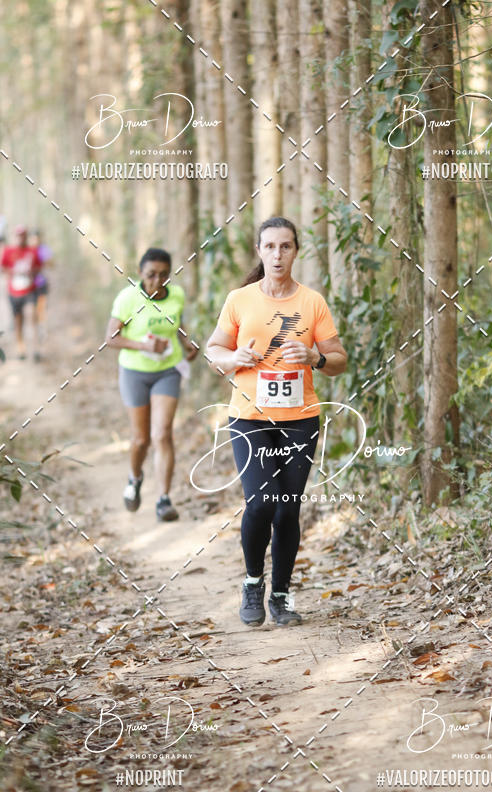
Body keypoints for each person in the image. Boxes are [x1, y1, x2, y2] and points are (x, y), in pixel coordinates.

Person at [206, 216, 347, 627]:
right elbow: (214, 349)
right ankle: (253, 582)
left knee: (287, 509)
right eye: (270, 246)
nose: (277, 254)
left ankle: (280, 597)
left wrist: (315, 359)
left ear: (295, 251)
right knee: (262, 501)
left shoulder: (312, 302)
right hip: (250, 417)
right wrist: (233, 359)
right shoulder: (240, 299)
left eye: (285, 246)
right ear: (259, 251)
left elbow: (338, 359)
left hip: (299, 419)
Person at [106, 247, 198, 521]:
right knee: (141, 439)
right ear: (140, 273)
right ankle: (135, 478)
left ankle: (163, 499)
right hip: (135, 372)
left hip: (167, 371)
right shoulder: (128, 298)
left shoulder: (177, 295)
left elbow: (176, 322)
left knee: (162, 434)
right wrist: (143, 345)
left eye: (163, 275)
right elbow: (111, 338)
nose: (156, 281)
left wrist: (185, 341)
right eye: (150, 275)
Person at [1, 225, 41, 360]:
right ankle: (21, 348)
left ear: (26, 236)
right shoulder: (8, 251)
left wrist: (32, 273)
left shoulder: (32, 251)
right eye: (18, 235)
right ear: (15, 236)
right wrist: (13, 272)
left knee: (32, 316)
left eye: (23, 235)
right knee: (18, 321)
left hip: (30, 291)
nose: (20, 238)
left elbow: (39, 267)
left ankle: (36, 349)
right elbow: (3, 268)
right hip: (14, 292)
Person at [30, 230, 52, 330]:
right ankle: (35, 328)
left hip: (42, 282)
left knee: (42, 306)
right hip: (30, 284)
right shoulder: (28, 250)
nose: (35, 241)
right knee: (33, 308)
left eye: (36, 238)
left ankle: (43, 328)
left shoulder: (44, 249)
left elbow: (50, 264)